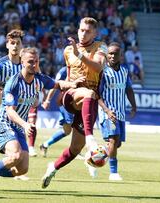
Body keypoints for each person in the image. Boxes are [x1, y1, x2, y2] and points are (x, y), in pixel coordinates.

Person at [0, 47, 84, 193]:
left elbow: (57, 84)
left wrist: (72, 84)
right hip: (3, 123)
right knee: (15, 155)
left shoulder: (39, 79)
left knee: (21, 169)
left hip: (18, 127)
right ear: (22, 62)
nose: (34, 65)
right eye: (30, 62)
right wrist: (25, 124)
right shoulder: (13, 83)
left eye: (36, 61)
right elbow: (10, 112)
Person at [41, 17, 107, 189]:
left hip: (89, 101)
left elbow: (99, 67)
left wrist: (80, 55)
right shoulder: (68, 50)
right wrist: (69, 86)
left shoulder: (101, 47)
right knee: (89, 93)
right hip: (71, 94)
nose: (83, 33)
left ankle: (52, 168)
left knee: (75, 148)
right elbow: (69, 75)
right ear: (78, 30)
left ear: (95, 33)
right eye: (81, 30)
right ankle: (91, 138)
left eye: (88, 31)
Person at [0, 29, 41, 173]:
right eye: (12, 43)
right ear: (7, 45)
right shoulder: (0, 64)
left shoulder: (27, 64)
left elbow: (36, 81)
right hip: (3, 112)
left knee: (5, 143)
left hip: (20, 114)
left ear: (22, 46)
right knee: (11, 146)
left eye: (18, 43)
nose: (15, 46)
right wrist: (1, 94)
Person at [96, 42, 136, 180]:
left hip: (120, 113)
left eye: (115, 53)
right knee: (113, 140)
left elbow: (128, 89)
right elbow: (97, 94)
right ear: (106, 55)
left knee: (116, 144)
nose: (112, 56)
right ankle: (113, 173)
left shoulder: (124, 71)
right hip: (107, 113)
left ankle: (94, 160)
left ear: (121, 55)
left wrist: (134, 106)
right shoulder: (103, 72)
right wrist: (106, 111)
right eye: (110, 53)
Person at [39, 67, 74, 157]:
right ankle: (76, 151)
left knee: (67, 131)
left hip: (75, 102)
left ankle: (45, 145)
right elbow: (53, 85)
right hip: (66, 102)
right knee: (77, 126)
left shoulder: (82, 69)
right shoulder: (64, 71)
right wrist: (47, 100)